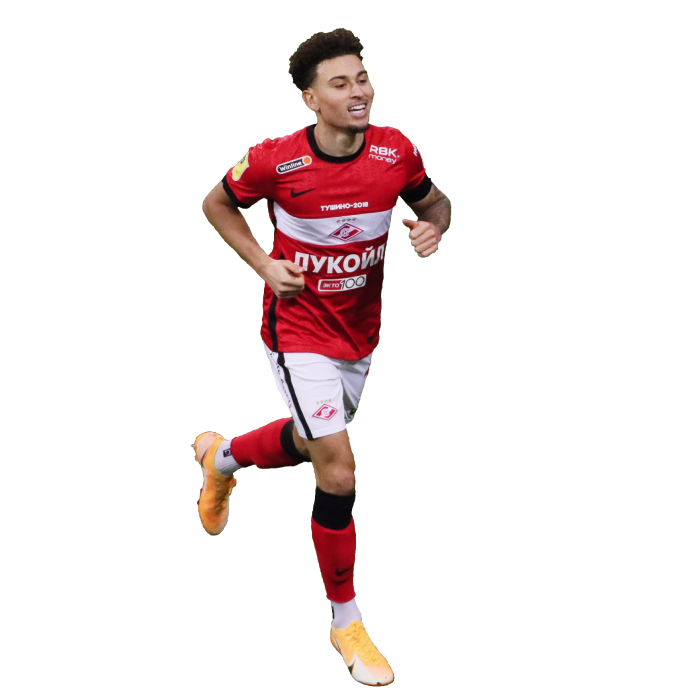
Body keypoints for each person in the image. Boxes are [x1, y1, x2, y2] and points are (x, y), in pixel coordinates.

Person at [196, 28, 451, 687]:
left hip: (360, 338)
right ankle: (346, 621)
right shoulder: (276, 161)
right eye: (340, 84)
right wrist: (262, 263)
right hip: (296, 331)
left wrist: (434, 226)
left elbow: (436, 202)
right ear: (310, 99)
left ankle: (221, 459)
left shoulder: (396, 151)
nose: (358, 91)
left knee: (314, 444)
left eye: (362, 78)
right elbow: (216, 203)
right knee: (338, 472)